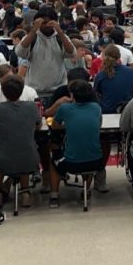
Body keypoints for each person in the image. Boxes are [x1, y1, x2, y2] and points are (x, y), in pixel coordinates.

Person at [0, 75, 42, 210]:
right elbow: (38, 126)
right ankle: (25, 192)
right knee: (23, 150)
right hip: (30, 158)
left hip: (3, 158)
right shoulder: (32, 107)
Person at [43, 80, 105, 209]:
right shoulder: (96, 108)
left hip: (72, 163)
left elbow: (55, 125)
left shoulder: (65, 108)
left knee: (54, 159)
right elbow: (98, 125)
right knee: (90, 154)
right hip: (96, 161)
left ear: (72, 95)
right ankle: (86, 191)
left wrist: (69, 124)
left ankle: (54, 194)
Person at [25, 17, 76, 95]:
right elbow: (19, 51)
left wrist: (59, 31)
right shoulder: (31, 37)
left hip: (59, 89)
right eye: (43, 23)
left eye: (50, 23)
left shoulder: (60, 37)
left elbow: (72, 53)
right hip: (34, 89)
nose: (47, 26)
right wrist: (34, 29)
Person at [92, 45, 133, 114]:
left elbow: (95, 93)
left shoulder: (100, 75)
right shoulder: (130, 71)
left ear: (104, 57)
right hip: (126, 110)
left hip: (107, 111)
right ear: (119, 57)